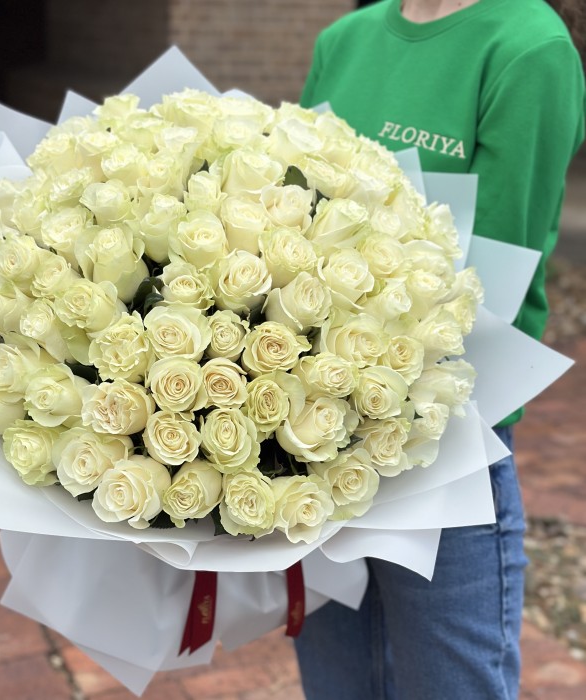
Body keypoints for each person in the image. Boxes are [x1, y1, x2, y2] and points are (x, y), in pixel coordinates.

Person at [295, 1, 585, 698]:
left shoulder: (528, 48)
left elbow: (496, 280)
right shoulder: (345, 40)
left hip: (444, 442)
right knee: (339, 685)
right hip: (310, 433)